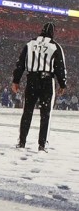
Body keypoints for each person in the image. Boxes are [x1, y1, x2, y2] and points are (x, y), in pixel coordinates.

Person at [12, 22, 67, 152]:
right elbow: (60, 67)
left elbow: (20, 64)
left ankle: (22, 141)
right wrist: (62, 83)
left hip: (32, 79)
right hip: (47, 81)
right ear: (53, 32)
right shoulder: (55, 46)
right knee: (46, 114)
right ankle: (42, 144)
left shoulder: (30, 44)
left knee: (27, 112)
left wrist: (16, 80)